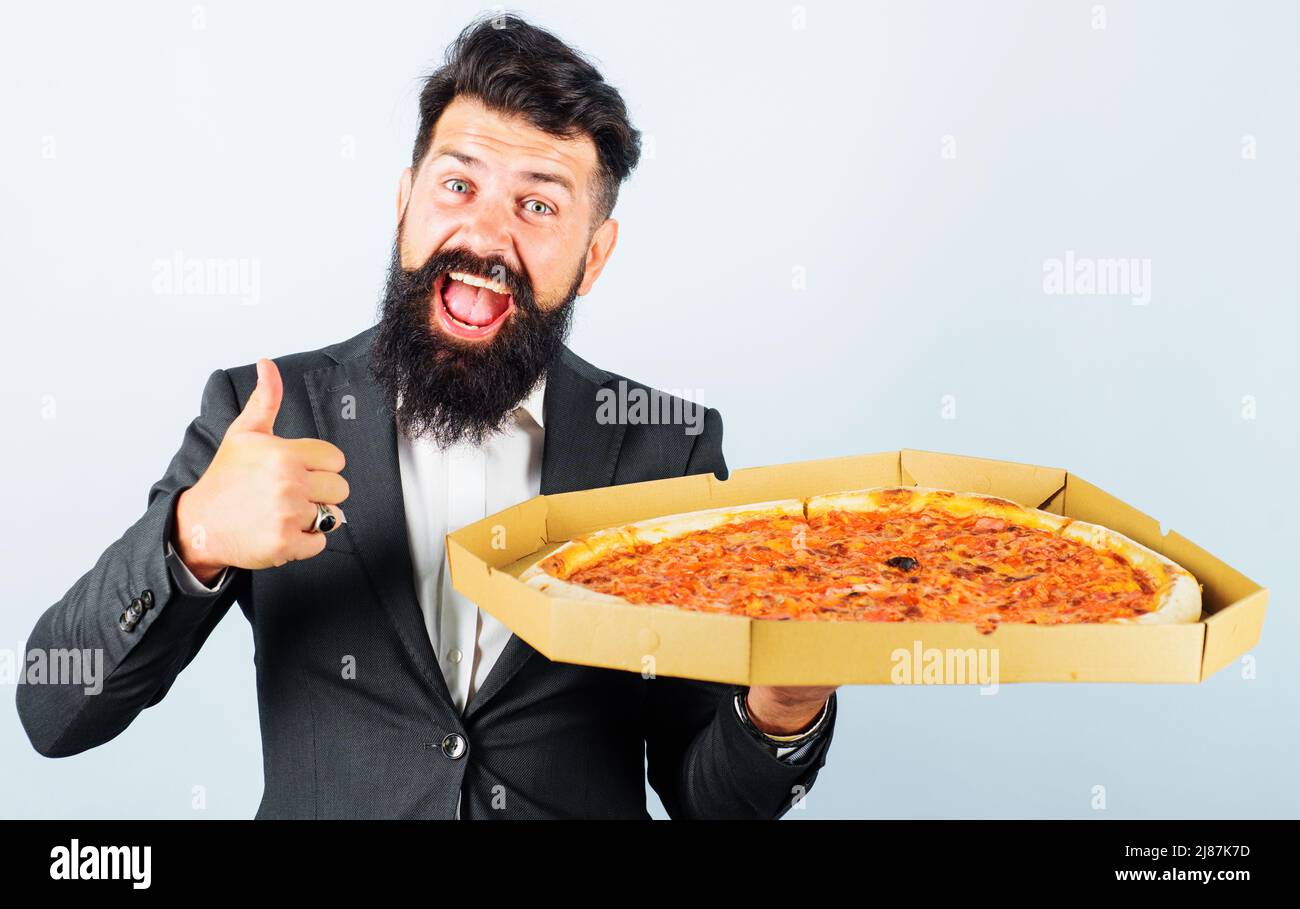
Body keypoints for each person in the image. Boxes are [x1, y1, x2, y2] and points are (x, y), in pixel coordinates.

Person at [17, 13, 837, 819]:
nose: (485, 233)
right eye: (458, 184)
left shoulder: (665, 447)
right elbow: (53, 709)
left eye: (539, 206)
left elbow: (712, 796)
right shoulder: (266, 415)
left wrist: (783, 707)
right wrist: (190, 537)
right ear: (405, 199)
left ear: (595, 255)